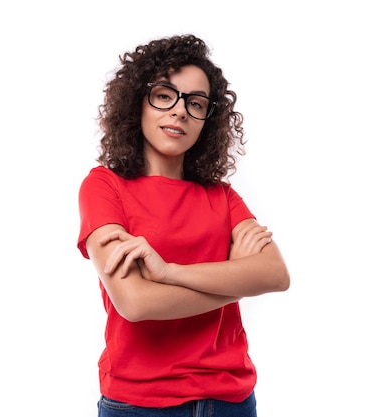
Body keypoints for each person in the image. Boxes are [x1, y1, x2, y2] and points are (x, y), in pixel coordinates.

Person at [77, 34, 290, 417]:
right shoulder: (104, 187)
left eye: (195, 103)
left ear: (208, 120)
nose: (179, 112)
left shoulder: (222, 196)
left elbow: (275, 275)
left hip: (232, 401)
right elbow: (136, 303)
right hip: (140, 404)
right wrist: (237, 280)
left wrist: (168, 272)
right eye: (164, 95)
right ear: (137, 103)